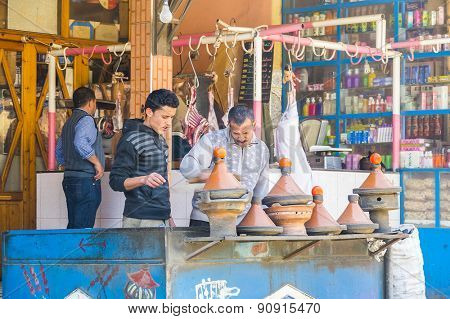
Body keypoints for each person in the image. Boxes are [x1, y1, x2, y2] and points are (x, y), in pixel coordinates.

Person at [180, 105, 270, 227]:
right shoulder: (213, 140)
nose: (241, 138)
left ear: (253, 125)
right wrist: (200, 174)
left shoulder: (262, 148)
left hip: (243, 221)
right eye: (236, 133)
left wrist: (257, 211)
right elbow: (187, 165)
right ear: (228, 124)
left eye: (245, 133)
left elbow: (261, 186)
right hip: (206, 218)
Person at [109, 89, 179, 228]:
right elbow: (115, 181)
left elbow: (161, 186)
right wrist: (143, 179)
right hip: (140, 219)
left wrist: (168, 216)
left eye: (171, 117)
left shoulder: (160, 139)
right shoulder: (131, 139)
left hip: (162, 218)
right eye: (165, 117)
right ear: (149, 112)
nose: (169, 123)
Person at [56, 87, 105, 229]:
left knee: (74, 225)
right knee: (83, 228)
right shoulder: (87, 120)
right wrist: (97, 163)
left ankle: (70, 250)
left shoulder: (68, 123)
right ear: (91, 102)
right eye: (95, 103)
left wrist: (69, 164)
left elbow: (59, 149)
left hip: (69, 179)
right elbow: (80, 142)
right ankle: (77, 252)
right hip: (85, 181)